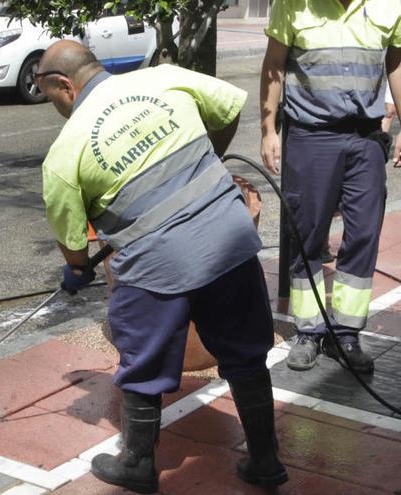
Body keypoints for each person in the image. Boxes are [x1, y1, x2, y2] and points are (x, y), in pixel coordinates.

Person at [37, 40, 287, 494]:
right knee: (245, 353)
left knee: (144, 361)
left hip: (156, 265)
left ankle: (136, 464)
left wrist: (76, 271)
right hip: (227, 239)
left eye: (48, 94)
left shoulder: (65, 153)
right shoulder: (164, 78)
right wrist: (207, 160)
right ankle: (266, 462)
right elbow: (229, 106)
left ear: (64, 85)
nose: (51, 104)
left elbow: (74, 246)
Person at [260, 0, 401, 373]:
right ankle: (309, 331)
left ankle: (346, 334)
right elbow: (274, 65)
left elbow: (397, 64)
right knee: (306, 234)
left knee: (364, 234)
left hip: (366, 140)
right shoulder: (293, 5)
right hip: (310, 137)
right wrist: (268, 130)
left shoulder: (391, 6)